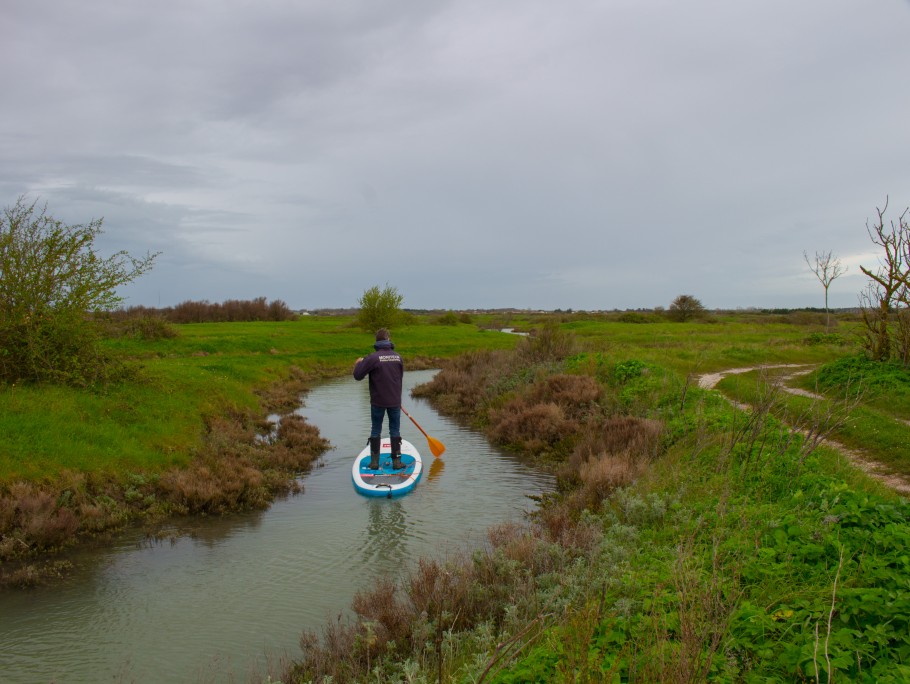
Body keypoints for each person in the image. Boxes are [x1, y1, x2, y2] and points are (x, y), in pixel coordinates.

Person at [353, 328, 404, 470]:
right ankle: (397, 463)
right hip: (394, 401)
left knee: (376, 429)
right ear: (388, 339)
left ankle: (374, 463)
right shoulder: (398, 357)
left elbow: (357, 376)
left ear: (377, 341)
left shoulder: (372, 358)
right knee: (395, 430)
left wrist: (358, 363)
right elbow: (399, 378)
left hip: (378, 402)